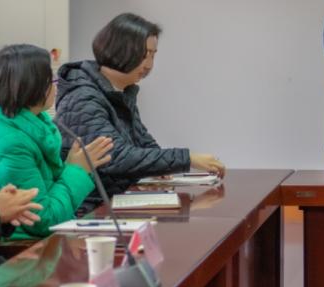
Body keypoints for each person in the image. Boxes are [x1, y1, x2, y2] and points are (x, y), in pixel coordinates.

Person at [55, 13, 225, 203]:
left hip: (119, 199)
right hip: (93, 208)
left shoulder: (120, 91)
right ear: (119, 49)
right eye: (145, 54)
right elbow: (116, 157)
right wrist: (188, 158)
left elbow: (143, 142)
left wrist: (161, 167)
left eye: (153, 55)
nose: (149, 65)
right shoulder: (82, 96)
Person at [0, 44, 113, 238]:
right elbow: (44, 220)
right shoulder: (13, 143)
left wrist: (71, 167)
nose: (55, 85)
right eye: (51, 80)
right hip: (27, 249)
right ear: (33, 86)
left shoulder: (38, 124)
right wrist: (77, 170)